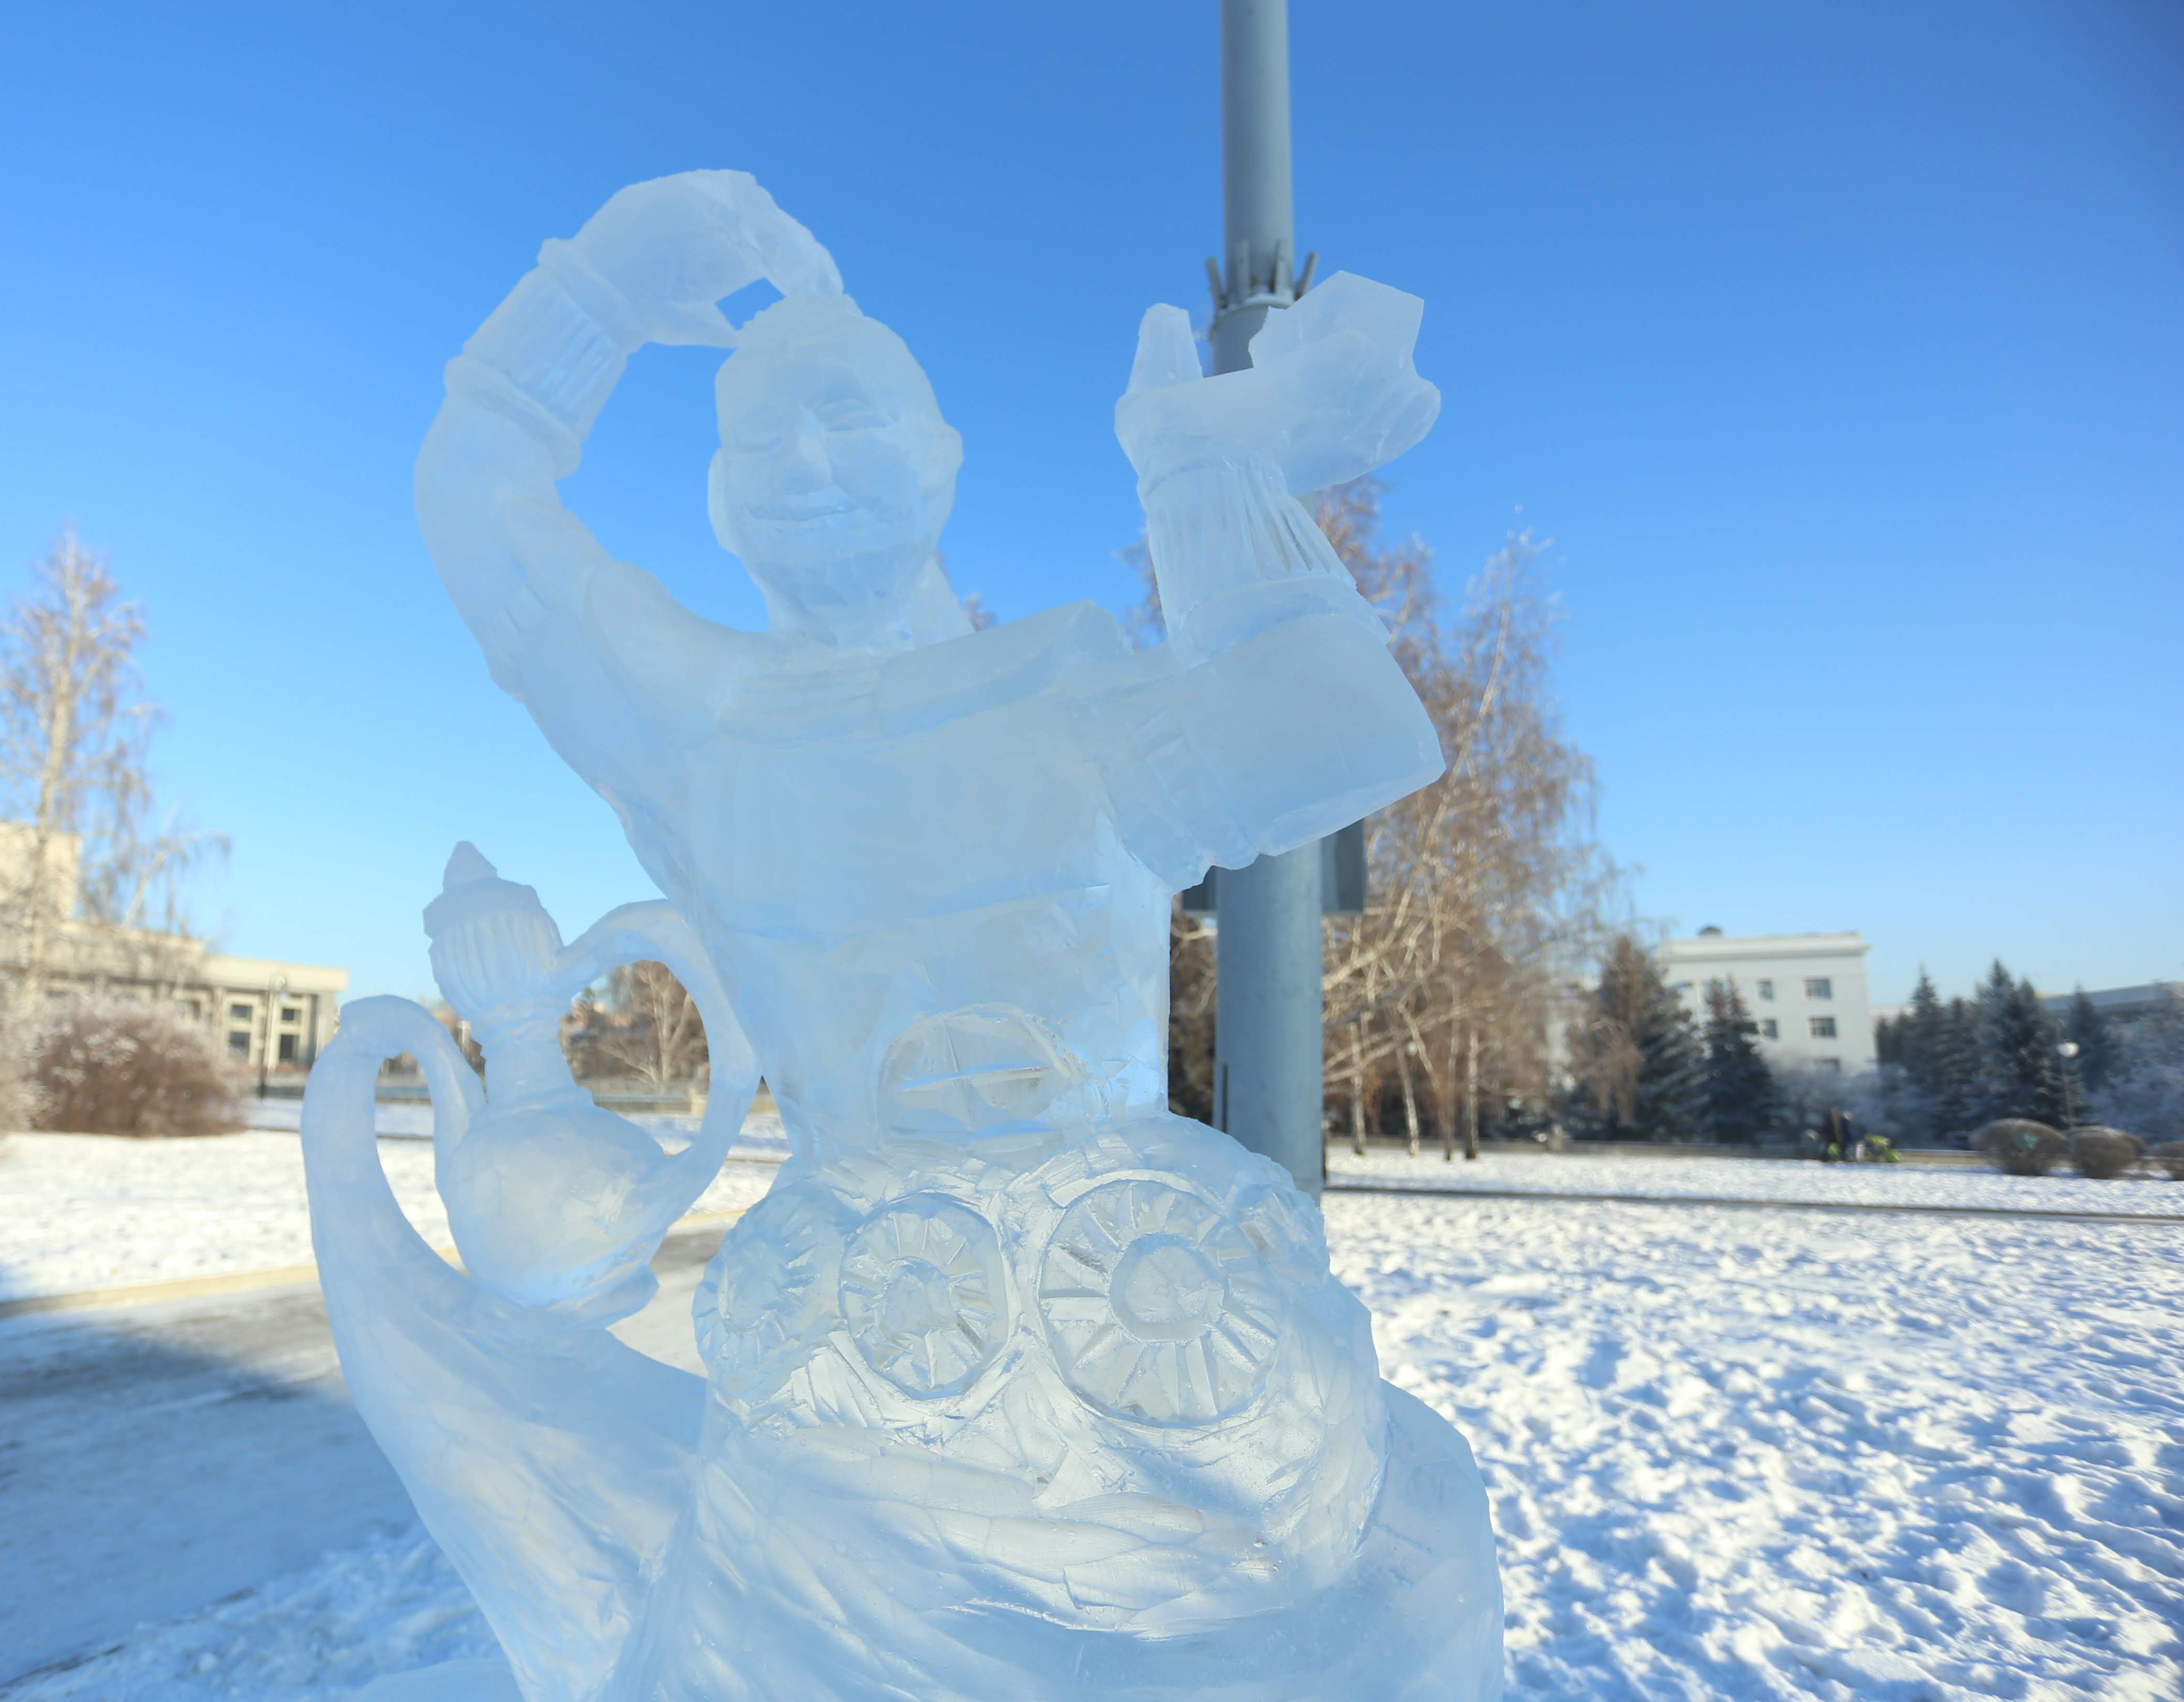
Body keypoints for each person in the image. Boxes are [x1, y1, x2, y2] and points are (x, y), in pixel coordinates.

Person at [388, 172, 1494, 1699]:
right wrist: (604, 282)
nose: (809, 461)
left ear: (942, 459)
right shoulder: (693, 725)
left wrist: (1200, 472)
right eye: (763, 437)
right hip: (857, 1381)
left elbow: (1341, 728)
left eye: (851, 416)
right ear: (719, 503)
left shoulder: (1067, 687)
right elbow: (476, 496)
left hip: (1159, 1347)